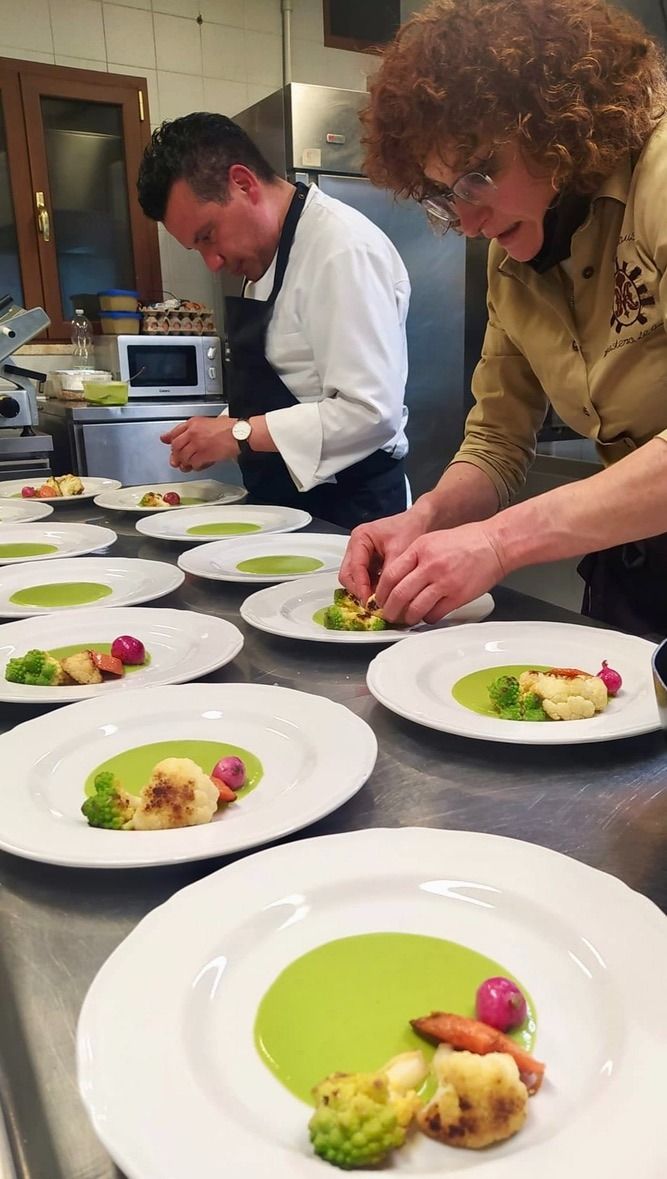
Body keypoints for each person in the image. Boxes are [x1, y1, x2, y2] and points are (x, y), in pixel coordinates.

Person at [339, 0, 667, 636]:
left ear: (559, 128)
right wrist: (425, 518)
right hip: (635, 569)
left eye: (478, 175)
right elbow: (497, 439)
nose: (466, 221)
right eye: (446, 193)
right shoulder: (510, 264)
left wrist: (498, 542)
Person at [136, 113, 410, 531]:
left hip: (352, 514)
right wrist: (220, 428)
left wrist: (239, 434)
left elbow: (370, 412)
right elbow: (293, 384)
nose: (212, 263)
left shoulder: (342, 249)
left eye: (208, 236)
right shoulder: (267, 256)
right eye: (197, 248)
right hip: (285, 507)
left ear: (243, 183)